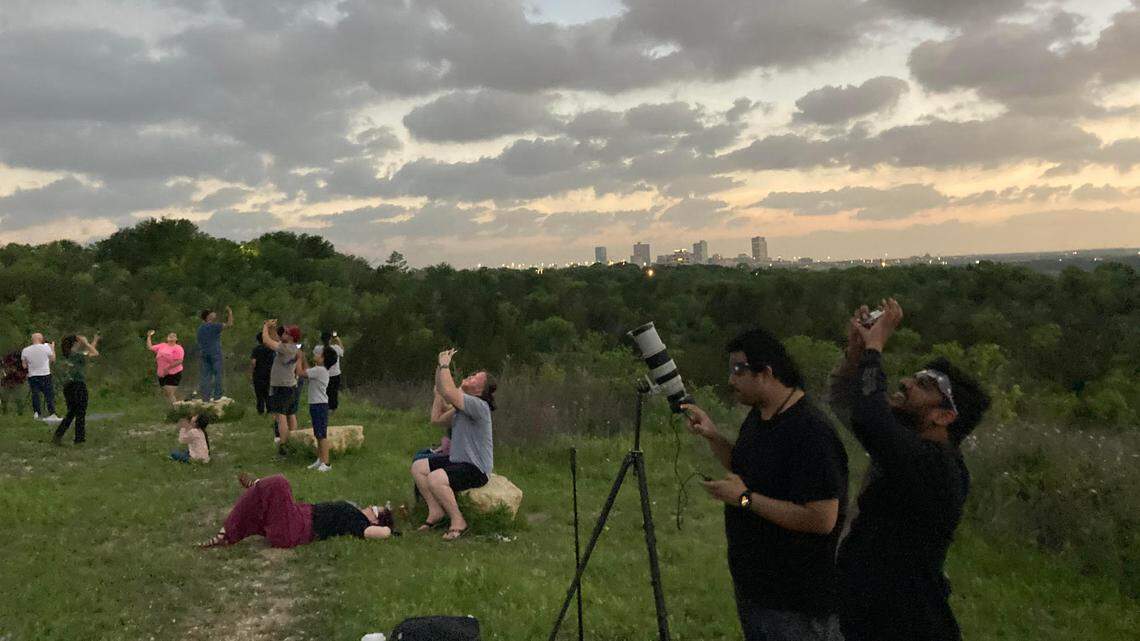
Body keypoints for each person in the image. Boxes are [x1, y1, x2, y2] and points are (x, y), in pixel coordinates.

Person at [828, 299, 991, 641]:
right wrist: (856, 353)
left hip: (906, 625)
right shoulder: (905, 446)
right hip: (869, 617)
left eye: (925, 385)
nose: (905, 383)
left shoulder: (937, 468)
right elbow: (852, 405)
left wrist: (876, 347)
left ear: (944, 416)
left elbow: (872, 418)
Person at [681, 328, 848, 641]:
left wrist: (744, 499)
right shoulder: (761, 416)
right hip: (757, 592)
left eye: (738, 371)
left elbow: (822, 519)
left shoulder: (811, 432)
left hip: (795, 604)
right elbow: (745, 467)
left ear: (766, 372)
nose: (730, 381)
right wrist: (713, 435)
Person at [410, 348, 496, 541]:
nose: (470, 377)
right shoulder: (462, 407)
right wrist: (439, 392)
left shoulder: (479, 406)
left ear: (480, 390)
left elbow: (449, 391)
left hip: (476, 468)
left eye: (475, 378)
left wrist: (445, 365)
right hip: (458, 461)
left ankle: (458, 521)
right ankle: (435, 511)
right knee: (419, 467)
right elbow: (437, 419)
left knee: (435, 478)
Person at [197, 473, 395, 548]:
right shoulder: (355, 514)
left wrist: (389, 529)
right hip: (299, 517)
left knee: (280, 483)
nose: (370, 507)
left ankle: (259, 487)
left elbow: (379, 533)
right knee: (268, 495)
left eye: (375, 510)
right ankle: (259, 490)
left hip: (296, 529)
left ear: (375, 521)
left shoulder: (359, 523)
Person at [261, 320, 301, 456]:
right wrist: (272, 328)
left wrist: (265, 327)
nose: (283, 333)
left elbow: (267, 341)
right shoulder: (293, 348)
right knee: (291, 414)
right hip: (291, 386)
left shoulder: (285, 348)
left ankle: (283, 445)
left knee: (281, 415)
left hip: (281, 386)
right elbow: (275, 340)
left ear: (290, 337)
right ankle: (294, 441)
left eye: (286, 332)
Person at [52, 334, 100, 445]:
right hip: (78, 385)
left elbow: (90, 352)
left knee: (71, 412)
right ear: (76, 343)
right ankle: (79, 439)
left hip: (68, 387)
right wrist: (86, 343)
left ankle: (58, 435)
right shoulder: (77, 356)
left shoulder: (67, 355)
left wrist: (94, 341)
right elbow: (95, 353)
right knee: (80, 413)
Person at [297, 346, 336, 472]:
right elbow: (308, 370)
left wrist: (298, 359)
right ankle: (320, 459)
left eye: (319, 354)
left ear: (323, 359)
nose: (316, 355)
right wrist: (303, 358)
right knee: (318, 434)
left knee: (321, 435)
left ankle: (326, 462)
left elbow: (301, 373)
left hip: (319, 405)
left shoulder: (319, 370)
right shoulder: (320, 370)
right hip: (317, 404)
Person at [196, 306, 233, 401]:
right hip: (215, 353)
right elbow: (229, 324)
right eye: (212, 313)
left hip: (204, 353)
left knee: (206, 376)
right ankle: (217, 396)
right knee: (218, 374)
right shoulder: (214, 326)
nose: (215, 314)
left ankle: (205, 397)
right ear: (208, 316)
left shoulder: (200, 328)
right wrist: (230, 313)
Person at [21, 333, 60, 421]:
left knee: (35, 394)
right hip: (45, 374)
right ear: (41, 339)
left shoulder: (25, 350)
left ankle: (37, 413)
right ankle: (52, 413)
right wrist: (52, 347)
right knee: (48, 394)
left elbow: (24, 366)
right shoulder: (46, 347)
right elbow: (53, 359)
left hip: (33, 375)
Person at [147, 330, 185, 404]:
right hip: (161, 373)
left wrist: (168, 368)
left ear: (176, 339)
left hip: (173, 373)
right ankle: (176, 405)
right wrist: (149, 336)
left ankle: (176, 409)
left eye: (173, 336)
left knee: (169, 392)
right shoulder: (162, 345)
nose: (171, 337)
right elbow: (150, 347)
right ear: (167, 338)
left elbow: (179, 361)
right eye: (169, 336)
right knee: (167, 393)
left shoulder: (178, 348)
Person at [313, 331, 345, 412]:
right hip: (334, 374)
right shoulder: (336, 348)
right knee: (333, 392)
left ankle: (324, 407)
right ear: (330, 339)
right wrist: (338, 340)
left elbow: (315, 358)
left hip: (322, 374)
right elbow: (342, 352)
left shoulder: (317, 348)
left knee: (323, 392)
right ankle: (332, 409)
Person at [250, 332, 275, 415]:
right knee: (268, 392)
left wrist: (252, 371)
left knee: (259, 393)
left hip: (258, 374)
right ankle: (270, 409)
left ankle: (260, 410)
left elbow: (253, 362)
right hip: (269, 373)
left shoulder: (256, 349)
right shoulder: (271, 349)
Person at [1, 350, 28, 416]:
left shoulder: (22, 362)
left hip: (17, 381)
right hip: (6, 381)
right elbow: (4, 370)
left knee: (18, 398)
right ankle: (4, 411)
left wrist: (15, 372)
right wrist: (7, 371)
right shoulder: (7, 360)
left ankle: (20, 413)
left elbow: (25, 373)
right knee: (4, 397)